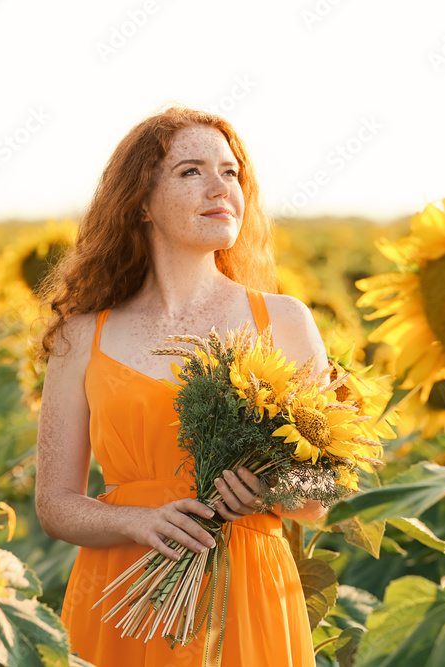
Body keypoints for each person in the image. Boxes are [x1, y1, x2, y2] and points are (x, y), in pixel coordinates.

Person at [33, 106, 327, 666]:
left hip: (247, 593)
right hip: (121, 590)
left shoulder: (284, 322)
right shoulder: (81, 336)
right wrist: (133, 520)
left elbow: (324, 495)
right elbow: (54, 505)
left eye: (230, 172)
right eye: (191, 172)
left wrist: (271, 492)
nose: (219, 188)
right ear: (140, 202)